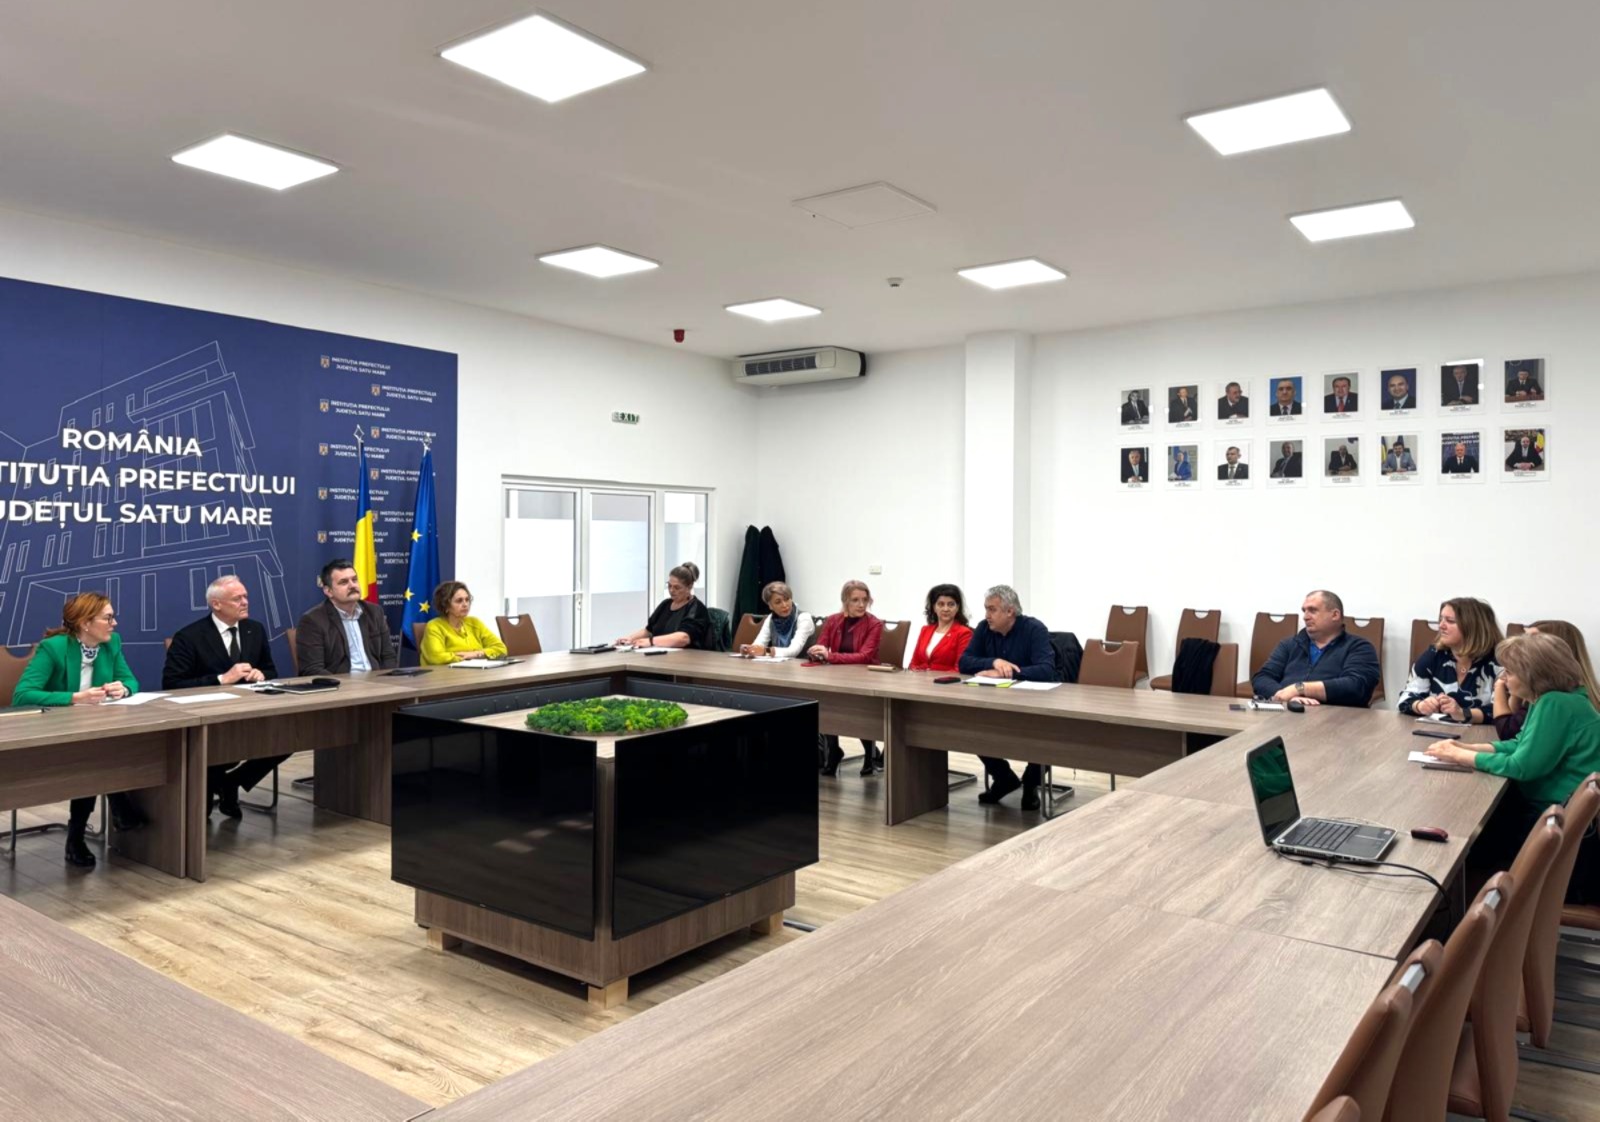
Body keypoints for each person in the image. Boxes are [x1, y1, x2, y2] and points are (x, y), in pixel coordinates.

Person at [1425, 632, 1600, 903]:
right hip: (1556, 821)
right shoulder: (1558, 699)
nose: (1504, 678)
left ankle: (1456, 906)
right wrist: (1466, 749)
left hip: (1555, 833)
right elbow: (1520, 744)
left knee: (1470, 838)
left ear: (1534, 675)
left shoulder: (1555, 703)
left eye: (1510, 671)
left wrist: (1461, 757)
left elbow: (1521, 766)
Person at [13, 593, 144, 868]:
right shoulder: (54, 647)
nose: (115, 623)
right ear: (85, 623)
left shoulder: (111, 643)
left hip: (93, 730)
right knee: (94, 755)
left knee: (101, 750)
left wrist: (123, 688)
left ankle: (80, 836)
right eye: (108, 618)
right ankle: (114, 807)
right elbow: (23, 695)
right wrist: (74, 697)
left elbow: (131, 680)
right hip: (53, 730)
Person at [163, 576, 285, 819]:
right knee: (202, 816)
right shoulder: (189, 636)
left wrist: (262, 674)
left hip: (252, 712)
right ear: (216, 604)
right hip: (211, 719)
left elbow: (271, 670)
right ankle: (218, 785)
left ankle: (232, 782)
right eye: (237, 598)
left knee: (287, 736)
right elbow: (172, 684)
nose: (245, 602)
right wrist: (222, 679)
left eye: (245, 596)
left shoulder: (255, 629)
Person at [959, 585, 1061, 810]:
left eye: (992, 609)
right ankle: (1004, 778)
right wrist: (993, 662)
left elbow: (1046, 670)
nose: (987, 615)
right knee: (970, 726)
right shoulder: (984, 628)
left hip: (1035, 701)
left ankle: (1031, 783)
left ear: (1010, 611)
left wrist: (1008, 673)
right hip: (996, 700)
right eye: (986, 609)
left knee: (1045, 733)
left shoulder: (1034, 629)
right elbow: (964, 662)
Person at [1251, 590, 1381, 708]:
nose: (1305, 617)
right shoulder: (1289, 645)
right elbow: (1262, 677)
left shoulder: (1360, 647)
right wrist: (1285, 695)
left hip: (1338, 719)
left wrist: (1299, 688)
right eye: (1304, 611)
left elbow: (1357, 687)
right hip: (1289, 712)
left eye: (1312, 610)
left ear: (1335, 615)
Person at [811, 580, 884, 776]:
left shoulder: (874, 624)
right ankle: (833, 752)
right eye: (855, 600)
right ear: (845, 601)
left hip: (864, 676)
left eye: (865, 600)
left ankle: (870, 754)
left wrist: (830, 656)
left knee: (857, 710)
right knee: (826, 703)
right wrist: (816, 652)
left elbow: (864, 656)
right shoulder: (832, 620)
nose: (861, 604)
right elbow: (822, 645)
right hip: (836, 674)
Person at [1397, 598, 1502, 726]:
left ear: (1473, 627)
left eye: (1450, 621)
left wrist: (1463, 713)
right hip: (1437, 732)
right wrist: (1420, 706)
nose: (1441, 626)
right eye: (1441, 619)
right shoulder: (1434, 654)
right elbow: (1405, 698)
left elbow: (1504, 712)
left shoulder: (1499, 661)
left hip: (1483, 734)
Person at [1494, 621, 1600, 739]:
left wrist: (1499, 685)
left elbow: (1509, 733)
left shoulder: (1554, 700)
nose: (1521, 646)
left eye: (1532, 640)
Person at [296, 558, 399, 674]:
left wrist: (386, 680)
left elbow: (389, 656)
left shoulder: (374, 612)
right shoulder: (313, 620)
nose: (352, 585)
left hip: (377, 680)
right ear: (328, 591)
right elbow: (312, 669)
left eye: (354, 580)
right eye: (344, 582)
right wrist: (342, 684)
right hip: (341, 683)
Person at [617, 561, 711, 649]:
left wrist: (651, 641)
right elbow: (649, 630)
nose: (671, 590)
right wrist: (630, 639)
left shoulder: (696, 608)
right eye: (669, 585)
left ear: (689, 587)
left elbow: (683, 638)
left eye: (677, 587)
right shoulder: (665, 604)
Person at [420, 581, 508, 665]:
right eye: (459, 601)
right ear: (445, 605)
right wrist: (467, 658)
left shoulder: (475, 622)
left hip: (476, 672)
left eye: (467, 599)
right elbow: (436, 657)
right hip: (445, 674)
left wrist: (475, 654)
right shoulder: (434, 626)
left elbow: (501, 649)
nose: (465, 604)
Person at [909, 584, 973, 673]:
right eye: (941, 604)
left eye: (951, 604)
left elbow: (959, 669)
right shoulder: (925, 630)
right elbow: (914, 663)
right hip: (920, 680)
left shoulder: (964, 633)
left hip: (946, 681)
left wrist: (933, 676)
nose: (946, 609)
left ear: (957, 608)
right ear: (934, 607)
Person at [745, 581, 814, 659]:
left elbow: (794, 651)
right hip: (780, 664)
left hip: (802, 664)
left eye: (787, 599)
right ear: (770, 606)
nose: (784, 605)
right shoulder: (771, 619)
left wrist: (766, 652)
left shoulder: (804, 618)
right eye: (778, 602)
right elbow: (759, 643)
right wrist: (750, 650)